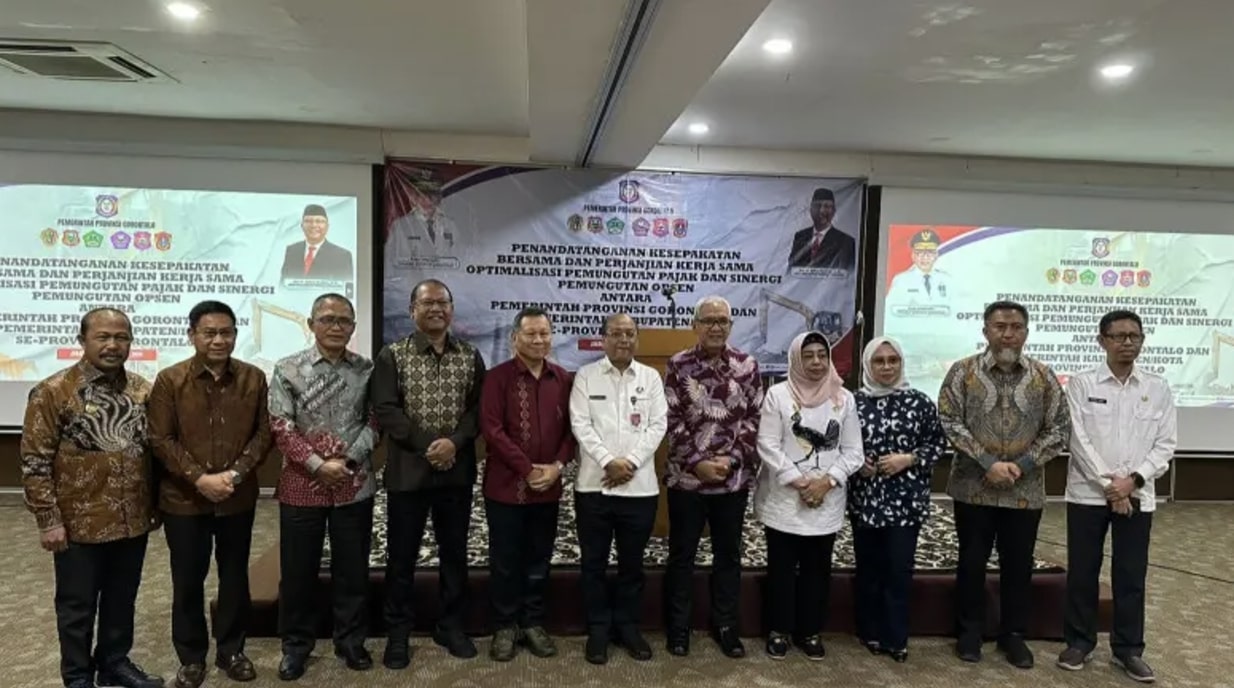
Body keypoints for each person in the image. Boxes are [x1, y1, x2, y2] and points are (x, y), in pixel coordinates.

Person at [21, 308, 164, 688]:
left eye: (122, 337)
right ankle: (77, 676)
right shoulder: (54, 391)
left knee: (122, 599)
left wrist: (154, 506)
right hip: (77, 522)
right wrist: (48, 519)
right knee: (76, 607)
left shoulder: (142, 390)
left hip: (131, 518)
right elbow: (35, 461)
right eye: (103, 337)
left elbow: (153, 452)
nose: (113, 345)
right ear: (82, 340)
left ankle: (113, 663)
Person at [938, 300, 1070, 668]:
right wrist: (988, 462)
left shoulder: (1044, 377)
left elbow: (1059, 429)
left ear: (1026, 333)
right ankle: (969, 632)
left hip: (1023, 491)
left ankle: (1013, 636)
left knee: (1018, 565)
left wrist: (1022, 465)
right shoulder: (962, 372)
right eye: (1000, 326)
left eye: (1015, 327)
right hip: (973, 487)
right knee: (971, 562)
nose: (1007, 333)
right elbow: (949, 420)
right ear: (985, 331)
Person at [147, 300, 273, 688]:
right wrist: (200, 479)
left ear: (236, 334)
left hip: (236, 496)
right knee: (187, 578)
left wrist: (234, 474)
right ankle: (191, 658)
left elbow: (264, 434)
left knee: (235, 576)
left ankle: (232, 650)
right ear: (192, 335)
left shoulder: (254, 378)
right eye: (210, 333)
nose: (219, 340)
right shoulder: (170, 380)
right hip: (184, 500)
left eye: (227, 332)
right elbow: (161, 439)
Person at [372, 279, 486, 668]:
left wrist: (453, 443)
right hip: (408, 474)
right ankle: (398, 633)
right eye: (427, 303)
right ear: (412, 311)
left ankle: (451, 626)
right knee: (401, 558)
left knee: (455, 555)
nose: (436, 308)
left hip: (456, 472)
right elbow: (387, 410)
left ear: (452, 310)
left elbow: (477, 412)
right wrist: (429, 445)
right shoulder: (392, 355)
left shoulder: (470, 356)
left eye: (442, 302)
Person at [1058, 310, 1175, 683]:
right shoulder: (1081, 383)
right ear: (1102, 340)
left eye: (1134, 336)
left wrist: (1132, 483)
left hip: (1138, 496)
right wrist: (1112, 487)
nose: (1128, 343)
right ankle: (1079, 642)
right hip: (1088, 495)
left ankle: (1128, 650)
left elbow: (1165, 444)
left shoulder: (1157, 387)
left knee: (1130, 575)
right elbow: (1079, 441)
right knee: (1083, 571)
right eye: (1119, 336)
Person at [267, 293, 380, 680]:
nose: (336, 327)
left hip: (354, 483)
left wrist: (346, 462)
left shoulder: (367, 370)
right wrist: (317, 464)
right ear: (311, 324)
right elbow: (281, 425)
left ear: (353, 327)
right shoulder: (288, 369)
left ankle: (351, 642)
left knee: (353, 570)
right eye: (328, 319)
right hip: (302, 485)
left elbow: (376, 422)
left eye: (344, 321)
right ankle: (296, 647)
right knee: (298, 572)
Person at [663, 295, 764, 658]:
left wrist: (732, 460)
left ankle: (726, 626)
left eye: (723, 320)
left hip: (731, 481)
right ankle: (678, 628)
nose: (716, 327)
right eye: (708, 320)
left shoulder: (747, 365)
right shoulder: (677, 365)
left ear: (731, 326)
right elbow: (671, 419)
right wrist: (697, 462)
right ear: (695, 325)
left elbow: (755, 419)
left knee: (728, 556)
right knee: (682, 556)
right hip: (687, 480)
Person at [754, 331, 863, 660]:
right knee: (781, 570)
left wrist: (826, 482)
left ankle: (810, 631)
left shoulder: (843, 398)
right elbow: (767, 446)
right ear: (795, 360)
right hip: (785, 501)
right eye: (808, 356)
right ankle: (778, 630)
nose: (816, 362)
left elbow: (854, 452)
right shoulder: (777, 395)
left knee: (818, 570)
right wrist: (801, 483)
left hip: (825, 501)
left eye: (822, 355)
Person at [569, 313, 667, 665]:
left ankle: (627, 626)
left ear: (637, 339)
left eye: (630, 333)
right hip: (594, 487)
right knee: (593, 564)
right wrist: (610, 460)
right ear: (603, 339)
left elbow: (658, 425)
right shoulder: (586, 376)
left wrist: (631, 464)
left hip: (639, 490)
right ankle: (597, 629)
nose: (623, 339)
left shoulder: (652, 378)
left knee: (632, 566)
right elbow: (580, 424)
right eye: (616, 333)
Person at [480, 307, 575, 662]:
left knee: (539, 559)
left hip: (548, 488)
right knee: (505, 561)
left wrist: (556, 466)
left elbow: (571, 431)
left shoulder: (563, 378)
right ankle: (505, 625)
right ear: (514, 338)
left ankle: (533, 622)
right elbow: (492, 430)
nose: (539, 340)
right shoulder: (496, 378)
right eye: (531, 334)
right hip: (505, 488)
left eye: (544, 334)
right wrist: (527, 469)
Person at [849, 336, 947, 662]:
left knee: (898, 568)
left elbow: (937, 443)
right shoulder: (853, 403)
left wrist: (909, 459)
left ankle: (896, 636)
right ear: (868, 365)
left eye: (893, 360)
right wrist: (857, 465)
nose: (887, 367)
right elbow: (841, 447)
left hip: (906, 501)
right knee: (869, 567)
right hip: (866, 499)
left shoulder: (919, 401)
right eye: (879, 361)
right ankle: (870, 631)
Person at [280, 203, 354, 282]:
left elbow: (344, 288)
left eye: (319, 221)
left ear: (327, 226)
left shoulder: (342, 256)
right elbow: (283, 284)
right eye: (308, 221)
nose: (313, 225)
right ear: (302, 226)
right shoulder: (292, 251)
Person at [787, 188, 856, 271]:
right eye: (817, 206)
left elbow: (848, 275)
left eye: (826, 206)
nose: (821, 211)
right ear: (811, 210)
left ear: (834, 211)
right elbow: (791, 271)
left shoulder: (846, 241)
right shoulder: (800, 236)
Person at [886, 228, 952, 306]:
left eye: (929, 253)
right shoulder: (901, 280)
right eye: (920, 253)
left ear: (936, 255)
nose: (925, 257)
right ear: (913, 256)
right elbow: (890, 310)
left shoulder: (947, 280)